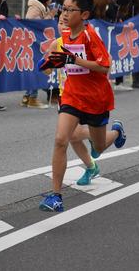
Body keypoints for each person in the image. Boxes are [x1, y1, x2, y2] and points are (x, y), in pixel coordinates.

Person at [38, 0, 126, 212]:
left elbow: (105, 67)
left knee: (98, 145)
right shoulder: (63, 38)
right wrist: (49, 63)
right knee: (60, 140)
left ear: (84, 15)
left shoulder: (90, 36)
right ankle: (55, 195)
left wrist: (74, 59)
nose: (64, 14)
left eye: (70, 10)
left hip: (97, 99)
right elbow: (47, 69)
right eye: (62, 9)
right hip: (72, 96)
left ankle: (116, 132)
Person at [40, 18, 101, 187]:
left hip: (85, 95)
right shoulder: (56, 44)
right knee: (72, 138)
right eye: (60, 22)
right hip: (65, 97)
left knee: (71, 136)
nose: (63, 26)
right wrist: (43, 64)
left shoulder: (85, 40)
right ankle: (91, 166)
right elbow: (48, 71)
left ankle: (97, 139)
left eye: (67, 23)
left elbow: (100, 64)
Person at [22, 0, 56, 109]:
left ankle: (27, 96)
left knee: (34, 68)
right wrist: (50, 16)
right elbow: (35, 24)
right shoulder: (35, 8)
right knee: (36, 69)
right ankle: (32, 98)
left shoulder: (39, 7)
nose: (51, 0)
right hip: (34, 43)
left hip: (35, 43)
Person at [108, 0, 133, 90]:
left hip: (108, 27)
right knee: (118, 51)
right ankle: (118, 81)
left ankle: (114, 79)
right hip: (113, 28)